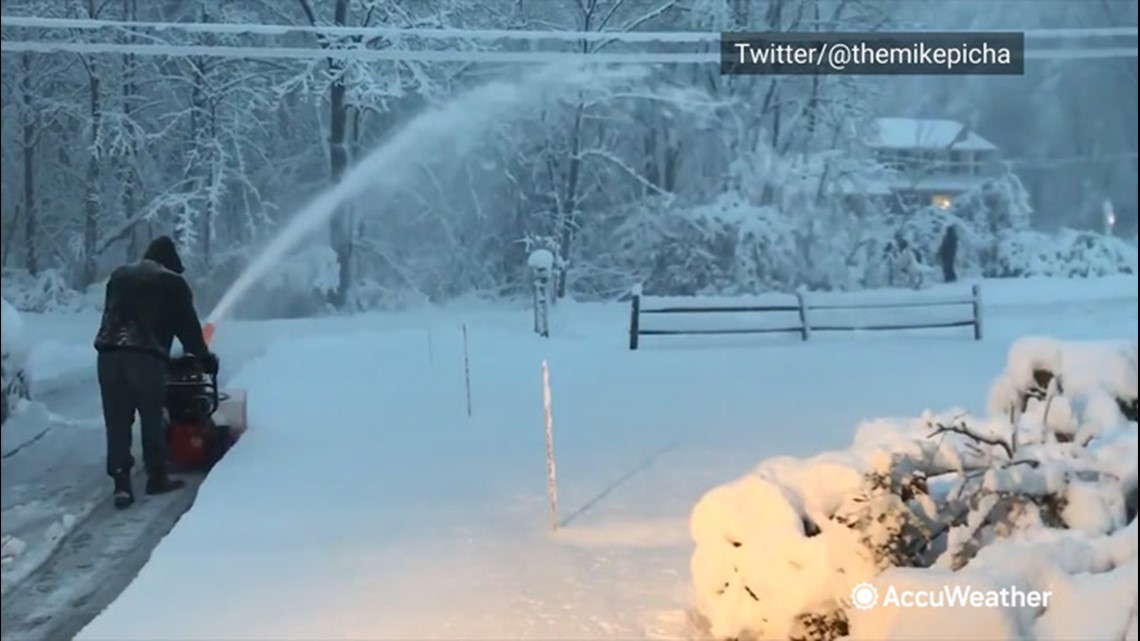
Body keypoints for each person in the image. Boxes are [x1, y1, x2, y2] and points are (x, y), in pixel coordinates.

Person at [93, 236, 219, 509]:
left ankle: (121, 483)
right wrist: (204, 358)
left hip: (108, 355)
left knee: (117, 420)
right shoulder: (171, 282)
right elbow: (188, 328)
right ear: (171, 263)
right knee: (153, 416)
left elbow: (116, 315)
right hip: (144, 357)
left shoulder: (119, 276)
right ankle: (157, 476)